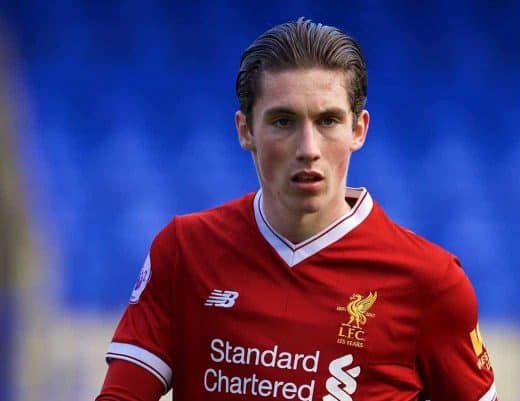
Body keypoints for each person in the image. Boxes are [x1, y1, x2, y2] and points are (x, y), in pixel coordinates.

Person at [96, 17, 498, 401]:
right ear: (245, 130)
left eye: (328, 121)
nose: (308, 149)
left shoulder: (430, 282)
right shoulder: (185, 251)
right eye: (283, 122)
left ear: (358, 130)